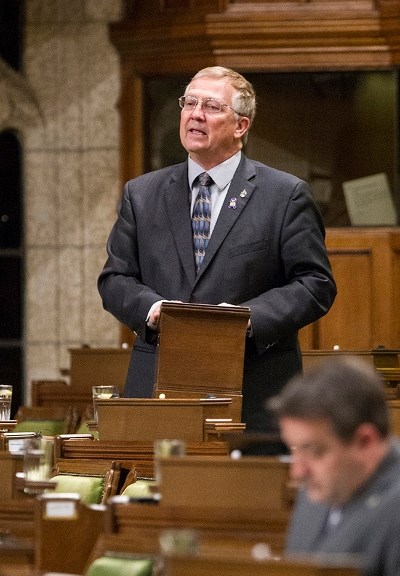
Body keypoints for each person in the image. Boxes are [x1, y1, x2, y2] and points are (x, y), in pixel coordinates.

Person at [97, 66, 336, 433]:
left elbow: (315, 283)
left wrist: (246, 319)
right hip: (160, 388)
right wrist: (151, 308)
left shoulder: (284, 195)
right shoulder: (141, 194)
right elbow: (115, 279)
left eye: (210, 106)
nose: (195, 114)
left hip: (255, 389)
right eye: (189, 102)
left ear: (240, 126)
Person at [272, 356, 400, 576]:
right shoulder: (319, 487)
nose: (297, 472)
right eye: (293, 450)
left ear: (365, 442)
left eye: (314, 451)